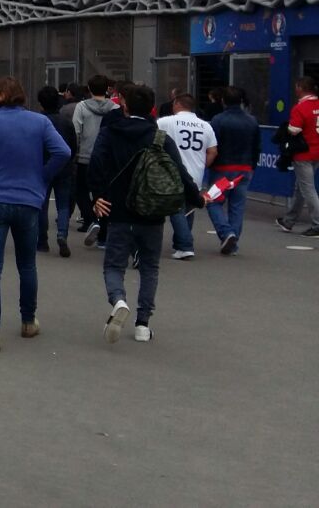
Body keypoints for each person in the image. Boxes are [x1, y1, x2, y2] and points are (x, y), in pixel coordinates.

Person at [89, 83, 202, 344]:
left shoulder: (110, 133)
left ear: (124, 105)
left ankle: (118, 300)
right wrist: (197, 199)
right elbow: (180, 173)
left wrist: (97, 196)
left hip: (117, 209)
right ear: (152, 107)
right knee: (150, 267)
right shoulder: (160, 137)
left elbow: (95, 165)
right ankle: (143, 324)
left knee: (114, 265)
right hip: (152, 212)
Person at [0, 78, 69, 351]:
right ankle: (28, 321)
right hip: (29, 199)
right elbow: (63, 152)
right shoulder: (39, 122)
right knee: (27, 264)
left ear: (0, 96)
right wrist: (42, 176)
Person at [156, 93, 216, 259]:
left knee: (176, 209)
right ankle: (181, 243)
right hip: (196, 173)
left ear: (176, 104)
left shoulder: (166, 122)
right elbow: (212, 151)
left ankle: (185, 245)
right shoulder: (206, 126)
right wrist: (202, 165)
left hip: (173, 172)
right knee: (189, 209)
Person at [207, 87, 259, 253]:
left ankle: (226, 233)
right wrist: (252, 166)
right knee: (237, 206)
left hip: (222, 167)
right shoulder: (252, 120)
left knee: (213, 201)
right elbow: (257, 146)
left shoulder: (218, 120)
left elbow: (213, 144)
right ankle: (233, 240)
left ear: (223, 101)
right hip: (244, 167)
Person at [72, 75, 119, 245]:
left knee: (81, 191)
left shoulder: (82, 106)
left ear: (89, 89)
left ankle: (92, 219)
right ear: (107, 89)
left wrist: (75, 152)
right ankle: (103, 235)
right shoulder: (115, 108)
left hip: (85, 156)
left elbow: (76, 131)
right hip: (108, 157)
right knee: (105, 194)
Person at [37, 85, 79, 256]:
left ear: (41, 103)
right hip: (64, 167)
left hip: (43, 166)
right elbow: (73, 146)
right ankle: (62, 234)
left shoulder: (38, 121)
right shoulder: (66, 122)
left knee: (42, 204)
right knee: (63, 205)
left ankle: (42, 240)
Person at [279, 76, 319, 236]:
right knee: (301, 187)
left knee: (308, 189)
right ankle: (289, 220)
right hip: (317, 151)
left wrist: (286, 129)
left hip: (303, 153)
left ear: (301, 88)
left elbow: (294, 130)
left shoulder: (300, 108)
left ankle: (317, 223)